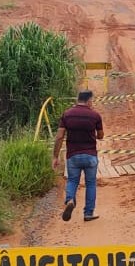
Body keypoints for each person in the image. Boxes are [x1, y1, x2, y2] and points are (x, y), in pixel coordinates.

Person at [52, 90, 105, 221]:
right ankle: (88, 213)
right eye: (92, 100)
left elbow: (59, 137)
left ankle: (70, 200)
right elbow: (100, 136)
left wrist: (55, 156)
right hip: (90, 155)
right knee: (91, 183)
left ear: (78, 99)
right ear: (88, 101)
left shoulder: (67, 115)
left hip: (73, 156)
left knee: (72, 180)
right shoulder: (95, 115)